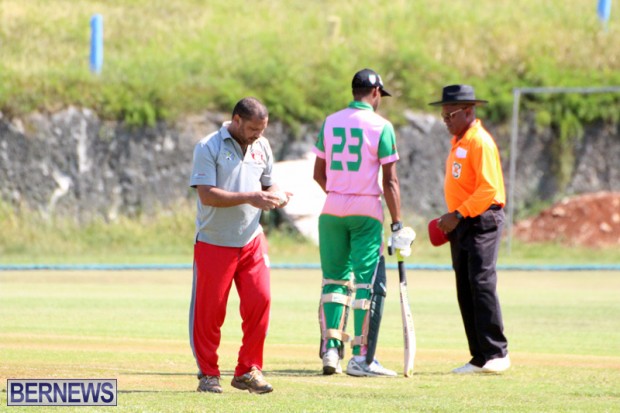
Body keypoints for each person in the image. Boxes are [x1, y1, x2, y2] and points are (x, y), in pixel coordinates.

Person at [313, 68, 415, 377]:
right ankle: (362, 357)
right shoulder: (381, 126)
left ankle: (331, 351)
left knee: (334, 281)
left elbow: (318, 173)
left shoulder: (330, 121)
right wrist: (397, 224)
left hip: (331, 209)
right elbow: (390, 181)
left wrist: (340, 194)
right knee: (365, 285)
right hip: (366, 210)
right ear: (375, 93)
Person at [188, 97, 291, 394]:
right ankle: (208, 374)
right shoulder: (208, 147)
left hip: (251, 240)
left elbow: (268, 184)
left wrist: (277, 195)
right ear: (236, 121)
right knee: (210, 313)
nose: (258, 135)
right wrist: (251, 197)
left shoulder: (262, 146)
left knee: (261, 301)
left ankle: (248, 370)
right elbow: (207, 195)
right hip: (214, 241)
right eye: (253, 129)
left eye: (262, 129)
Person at [429, 84, 510, 374]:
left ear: (469, 111)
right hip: (462, 222)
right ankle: (479, 356)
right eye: (443, 116)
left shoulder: (479, 141)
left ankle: (497, 353)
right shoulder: (459, 141)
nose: (446, 121)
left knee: (481, 282)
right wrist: (454, 217)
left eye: (450, 115)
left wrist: (458, 213)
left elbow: (488, 189)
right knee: (465, 287)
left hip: (481, 219)